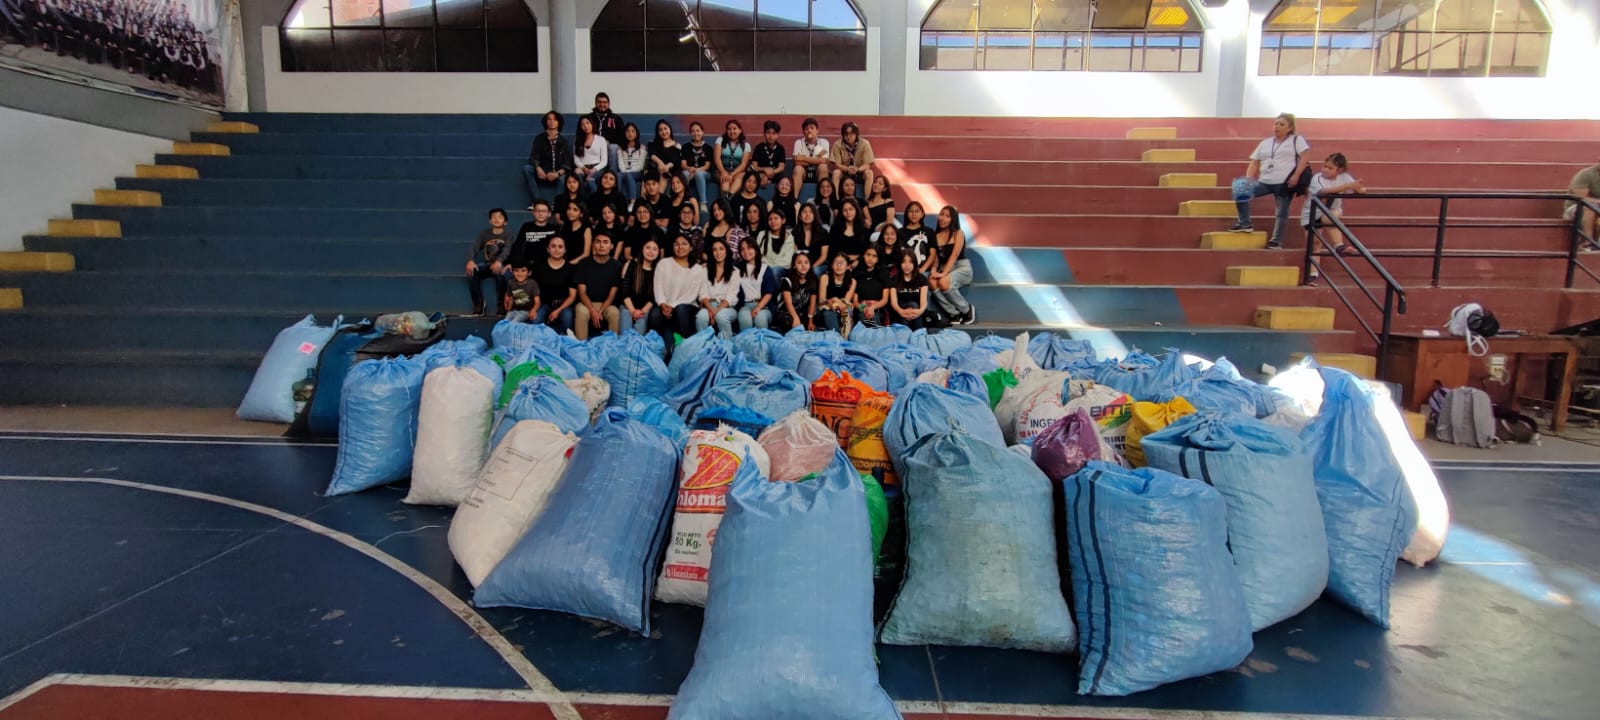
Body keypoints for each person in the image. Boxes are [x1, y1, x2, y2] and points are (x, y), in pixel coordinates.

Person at [1229, 112, 1311, 249]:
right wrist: (1249, 179)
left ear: (1289, 128)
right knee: (1240, 188)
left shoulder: (1296, 140)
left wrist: (1296, 176)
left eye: (1281, 124)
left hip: (1284, 182)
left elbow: (1304, 157)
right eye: (1276, 123)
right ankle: (1245, 223)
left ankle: (1276, 241)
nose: (1277, 126)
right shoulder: (1265, 143)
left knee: (1281, 211)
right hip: (1264, 181)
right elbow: (1254, 162)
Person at [1301, 152, 1366, 256]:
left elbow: (1355, 188)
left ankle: (1339, 246)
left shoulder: (1344, 177)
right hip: (1312, 213)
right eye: (1324, 166)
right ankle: (1313, 272)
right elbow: (1323, 191)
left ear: (1339, 170)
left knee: (1329, 218)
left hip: (1331, 210)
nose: (1325, 170)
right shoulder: (1317, 178)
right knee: (1314, 245)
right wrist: (1345, 187)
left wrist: (1359, 188)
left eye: (1330, 168)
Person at [653, 234, 704, 346]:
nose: (680, 247)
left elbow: (691, 295)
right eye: (677, 244)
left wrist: (672, 305)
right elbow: (658, 287)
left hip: (686, 308)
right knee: (655, 314)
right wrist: (662, 304)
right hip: (665, 307)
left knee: (680, 310)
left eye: (684, 244)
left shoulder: (698, 269)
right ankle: (659, 345)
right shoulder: (663, 263)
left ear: (691, 248)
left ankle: (688, 345)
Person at [928, 205, 975, 325]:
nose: (942, 218)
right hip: (944, 268)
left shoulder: (958, 233)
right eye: (941, 215)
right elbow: (936, 259)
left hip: (961, 267)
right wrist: (934, 270)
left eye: (947, 216)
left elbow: (954, 256)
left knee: (943, 281)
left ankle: (967, 310)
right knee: (932, 281)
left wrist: (943, 272)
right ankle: (954, 313)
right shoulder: (936, 236)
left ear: (953, 219)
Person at [573, 232, 623, 340]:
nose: (601, 246)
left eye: (605, 242)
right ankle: (581, 348)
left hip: (606, 304)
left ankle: (612, 347)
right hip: (586, 303)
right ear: (593, 245)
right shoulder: (583, 264)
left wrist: (599, 311)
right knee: (581, 311)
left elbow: (612, 294)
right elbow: (582, 292)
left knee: (614, 312)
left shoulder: (616, 266)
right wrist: (592, 310)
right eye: (598, 242)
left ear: (611, 246)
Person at [465, 208, 512, 316]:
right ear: (490, 221)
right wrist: (470, 260)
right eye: (494, 217)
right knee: (472, 270)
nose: (496, 219)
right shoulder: (484, 234)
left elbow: (507, 250)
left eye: (500, 217)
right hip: (487, 265)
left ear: (505, 222)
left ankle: (501, 306)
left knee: (501, 273)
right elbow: (474, 247)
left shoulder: (509, 235)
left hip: (501, 265)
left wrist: (499, 261)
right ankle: (479, 304)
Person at [524, 110, 574, 203]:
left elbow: (567, 162)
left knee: (563, 178)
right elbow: (533, 156)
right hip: (542, 172)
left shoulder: (564, 141)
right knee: (527, 169)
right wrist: (539, 169)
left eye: (554, 119)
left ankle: (558, 204)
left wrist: (557, 174)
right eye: (549, 119)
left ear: (559, 123)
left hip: (557, 173)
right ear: (545, 122)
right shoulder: (539, 138)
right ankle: (537, 201)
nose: (551, 121)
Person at [697, 240, 742, 338]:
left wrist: (716, 311)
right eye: (715, 250)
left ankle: (727, 346)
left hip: (727, 307)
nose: (718, 253)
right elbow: (702, 294)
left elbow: (731, 297)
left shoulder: (735, 272)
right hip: (708, 305)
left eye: (721, 249)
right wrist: (710, 309)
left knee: (721, 316)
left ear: (726, 251)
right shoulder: (704, 270)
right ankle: (703, 346)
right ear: (711, 253)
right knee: (701, 316)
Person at [533, 235, 578, 334]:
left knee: (567, 320)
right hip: (544, 304)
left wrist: (558, 310)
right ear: (548, 249)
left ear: (565, 250)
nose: (557, 249)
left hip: (564, 305)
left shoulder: (571, 268)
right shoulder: (539, 266)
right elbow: (533, 289)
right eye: (553, 246)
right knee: (535, 321)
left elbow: (572, 296)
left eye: (560, 247)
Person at [621, 237, 660, 335]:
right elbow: (624, 291)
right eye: (648, 248)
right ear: (642, 249)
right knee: (626, 322)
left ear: (659, 253)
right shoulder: (632, 264)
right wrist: (633, 311)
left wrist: (641, 311)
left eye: (654, 249)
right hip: (628, 306)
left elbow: (654, 297)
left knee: (640, 329)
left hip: (644, 309)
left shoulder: (658, 270)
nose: (651, 251)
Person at [736, 241, 776, 331]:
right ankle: (747, 344)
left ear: (756, 249)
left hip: (763, 305)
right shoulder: (737, 269)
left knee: (760, 318)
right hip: (745, 305)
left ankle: (762, 344)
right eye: (742, 249)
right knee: (744, 318)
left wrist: (758, 308)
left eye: (749, 248)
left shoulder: (765, 268)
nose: (746, 251)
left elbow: (769, 293)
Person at [509, 200, 559, 270]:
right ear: (533, 213)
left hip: (549, 265)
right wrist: (514, 263)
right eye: (538, 211)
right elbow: (518, 246)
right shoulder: (526, 226)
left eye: (544, 211)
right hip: (529, 264)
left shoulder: (554, 229)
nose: (540, 214)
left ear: (549, 213)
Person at [829, 121, 876, 196]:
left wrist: (857, 169)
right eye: (846, 134)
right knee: (836, 172)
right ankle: (836, 200)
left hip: (859, 172)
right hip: (844, 172)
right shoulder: (837, 144)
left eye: (851, 134)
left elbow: (867, 165)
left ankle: (868, 201)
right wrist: (847, 169)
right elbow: (837, 164)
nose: (848, 137)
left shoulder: (865, 144)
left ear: (856, 134)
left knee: (869, 173)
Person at [775, 252, 817, 333]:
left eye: (806, 262)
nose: (803, 265)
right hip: (787, 311)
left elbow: (812, 303)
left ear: (810, 265)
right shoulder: (787, 280)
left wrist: (810, 321)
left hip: (801, 311)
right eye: (799, 263)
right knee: (790, 322)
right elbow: (788, 303)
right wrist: (795, 318)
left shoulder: (813, 280)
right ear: (794, 266)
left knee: (809, 321)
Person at [582, 91, 625, 170]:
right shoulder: (589, 118)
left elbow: (622, 136)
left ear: (608, 104)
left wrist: (607, 142)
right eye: (599, 102)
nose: (602, 104)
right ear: (595, 103)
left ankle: (612, 174)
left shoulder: (616, 118)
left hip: (609, 146)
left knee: (613, 147)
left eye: (604, 102)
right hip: (593, 146)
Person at [817, 253, 857, 334]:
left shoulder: (852, 281)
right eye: (836, 262)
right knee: (829, 313)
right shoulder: (825, 278)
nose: (838, 265)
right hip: (826, 309)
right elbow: (821, 301)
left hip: (842, 310)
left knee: (847, 311)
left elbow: (845, 302)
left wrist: (836, 301)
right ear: (832, 265)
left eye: (842, 263)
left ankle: (844, 336)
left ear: (848, 266)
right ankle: (837, 338)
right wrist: (832, 301)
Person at [1566, 156, 1600, 250]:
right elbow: (1581, 198)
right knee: (1590, 207)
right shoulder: (1585, 175)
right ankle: (1588, 242)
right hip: (1577, 207)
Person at [680, 122, 715, 213]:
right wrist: (689, 168)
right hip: (690, 171)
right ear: (690, 133)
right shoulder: (686, 147)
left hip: (704, 173)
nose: (696, 133)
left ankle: (703, 203)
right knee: (683, 174)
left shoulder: (708, 148)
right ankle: (683, 199)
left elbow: (707, 166)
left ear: (702, 132)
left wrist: (695, 171)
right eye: (693, 131)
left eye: (698, 131)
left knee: (699, 174)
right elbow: (683, 164)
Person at [889, 252, 930, 330]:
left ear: (914, 264)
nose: (907, 265)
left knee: (914, 305)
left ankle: (911, 333)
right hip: (899, 312)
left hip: (917, 313)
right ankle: (916, 334)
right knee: (912, 305)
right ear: (900, 264)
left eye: (910, 262)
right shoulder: (895, 279)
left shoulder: (921, 279)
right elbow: (893, 303)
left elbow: (924, 302)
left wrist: (918, 312)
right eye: (904, 262)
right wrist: (901, 312)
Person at [791, 117, 831, 196]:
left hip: (818, 172)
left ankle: (822, 197)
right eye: (806, 129)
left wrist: (804, 158)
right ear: (803, 132)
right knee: (798, 169)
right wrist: (816, 160)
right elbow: (797, 162)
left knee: (823, 167)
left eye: (812, 128)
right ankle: (794, 198)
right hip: (804, 172)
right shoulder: (799, 142)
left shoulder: (823, 142)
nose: (809, 130)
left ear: (817, 131)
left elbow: (824, 161)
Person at [755, 209, 797, 284]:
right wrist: (768, 267)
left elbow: (787, 260)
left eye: (776, 218)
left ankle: (778, 293)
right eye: (770, 219)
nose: (773, 221)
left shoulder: (790, 238)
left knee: (774, 272)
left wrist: (771, 268)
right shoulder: (762, 235)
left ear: (783, 220)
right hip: (764, 266)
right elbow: (759, 254)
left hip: (783, 268)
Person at [854, 244, 890, 327]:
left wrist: (872, 307)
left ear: (878, 259)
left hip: (878, 310)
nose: (870, 258)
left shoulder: (884, 273)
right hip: (861, 310)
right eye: (868, 255)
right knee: (862, 318)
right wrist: (864, 308)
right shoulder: (857, 274)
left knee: (873, 318)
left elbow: (885, 300)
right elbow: (855, 302)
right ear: (863, 256)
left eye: (874, 256)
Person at [715, 119, 753, 198]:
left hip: (737, 172)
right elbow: (717, 158)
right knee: (725, 180)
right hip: (722, 170)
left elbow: (743, 164)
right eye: (729, 129)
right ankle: (725, 199)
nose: (732, 131)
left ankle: (729, 198)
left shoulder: (746, 145)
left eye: (734, 129)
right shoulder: (720, 141)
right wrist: (723, 172)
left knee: (740, 177)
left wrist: (732, 174)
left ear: (740, 130)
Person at [829, 197, 871, 267]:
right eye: (845, 210)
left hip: (859, 264)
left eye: (851, 209)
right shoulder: (835, 229)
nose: (848, 212)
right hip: (839, 264)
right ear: (841, 212)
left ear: (856, 210)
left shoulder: (864, 228)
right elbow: (832, 251)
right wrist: (844, 259)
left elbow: (867, 251)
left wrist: (857, 259)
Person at [573, 115, 609, 193]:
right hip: (583, 167)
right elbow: (576, 160)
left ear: (592, 124)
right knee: (577, 176)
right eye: (582, 125)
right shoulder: (577, 140)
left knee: (590, 180)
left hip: (597, 168)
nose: (585, 126)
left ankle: (596, 201)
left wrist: (594, 169)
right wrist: (583, 168)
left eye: (587, 123)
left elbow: (604, 161)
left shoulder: (600, 139)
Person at [751, 120, 787, 190]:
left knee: (783, 177)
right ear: (764, 134)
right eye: (768, 133)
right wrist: (764, 170)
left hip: (775, 173)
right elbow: (754, 166)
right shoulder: (759, 147)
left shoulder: (780, 148)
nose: (771, 136)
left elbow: (781, 167)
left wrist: (770, 173)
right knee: (752, 175)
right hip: (761, 174)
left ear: (777, 135)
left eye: (774, 133)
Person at [900, 201, 934, 273]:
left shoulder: (929, 231)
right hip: (905, 271)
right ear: (907, 214)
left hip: (924, 271)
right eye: (911, 211)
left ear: (922, 214)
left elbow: (932, 254)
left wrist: (923, 269)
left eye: (917, 211)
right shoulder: (900, 232)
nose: (914, 214)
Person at [616, 122, 647, 202]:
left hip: (637, 173)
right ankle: (618, 199)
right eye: (628, 131)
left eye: (633, 131)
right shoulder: (620, 148)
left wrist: (628, 172)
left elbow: (640, 166)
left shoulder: (642, 147)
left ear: (636, 133)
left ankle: (633, 201)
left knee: (629, 175)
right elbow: (620, 164)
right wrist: (625, 171)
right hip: (625, 172)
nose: (630, 133)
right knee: (618, 175)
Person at [794, 202, 828, 269]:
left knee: (815, 271)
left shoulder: (823, 233)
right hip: (801, 266)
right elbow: (795, 255)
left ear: (815, 215)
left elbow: (823, 256)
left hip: (818, 265)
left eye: (811, 212)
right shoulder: (795, 233)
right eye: (804, 212)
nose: (807, 215)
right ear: (800, 216)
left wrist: (811, 268)